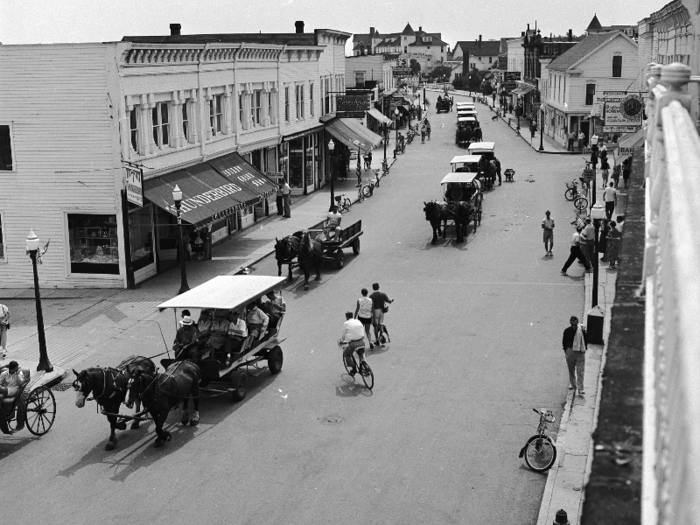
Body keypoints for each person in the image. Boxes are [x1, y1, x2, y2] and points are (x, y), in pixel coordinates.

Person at [562, 317, 588, 394]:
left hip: (580, 351)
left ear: (577, 323)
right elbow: (564, 342)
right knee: (571, 369)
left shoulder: (581, 331)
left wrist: (584, 349)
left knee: (580, 371)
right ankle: (573, 383)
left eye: (575, 324)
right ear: (570, 323)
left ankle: (580, 387)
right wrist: (566, 351)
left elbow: (585, 340)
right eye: (572, 324)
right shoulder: (567, 331)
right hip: (570, 350)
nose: (573, 326)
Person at [0, 361, 27, 434]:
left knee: (1, 390)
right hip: (6, 389)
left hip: (14, 389)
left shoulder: (19, 373)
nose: (17, 369)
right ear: (12, 369)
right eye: (16, 368)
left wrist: (18, 374)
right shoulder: (5, 374)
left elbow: (21, 383)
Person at [339, 311, 366, 376]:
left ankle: (354, 369)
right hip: (362, 341)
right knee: (361, 355)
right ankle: (364, 366)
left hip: (353, 343)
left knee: (346, 354)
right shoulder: (358, 321)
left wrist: (342, 340)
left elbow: (343, 335)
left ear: (347, 317)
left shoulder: (346, 323)